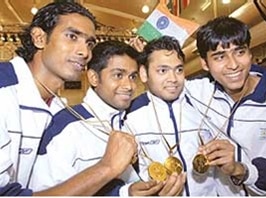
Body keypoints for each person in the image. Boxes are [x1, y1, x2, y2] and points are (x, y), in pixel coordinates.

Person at [0, 2, 137, 196]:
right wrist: (106, 168)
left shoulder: (58, 109)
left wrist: (126, 192)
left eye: (89, 43)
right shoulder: (4, 92)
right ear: (40, 38)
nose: (85, 52)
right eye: (72, 37)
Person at [29, 40, 186, 196]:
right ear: (94, 78)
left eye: (132, 77)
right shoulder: (66, 126)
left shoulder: (129, 121)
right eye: (118, 75)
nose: (129, 86)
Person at [185, 16, 266, 196]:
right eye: (220, 56)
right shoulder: (199, 91)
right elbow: (161, 84)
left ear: (250, 54)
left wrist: (241, 170)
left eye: (239, 52)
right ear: (205, 64)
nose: (233, 65)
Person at [125, 35, 218, 196]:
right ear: (144, 74)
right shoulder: (129, 118)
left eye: (179, 70)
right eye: (162, 71)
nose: (173, 79)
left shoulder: (203, 104)